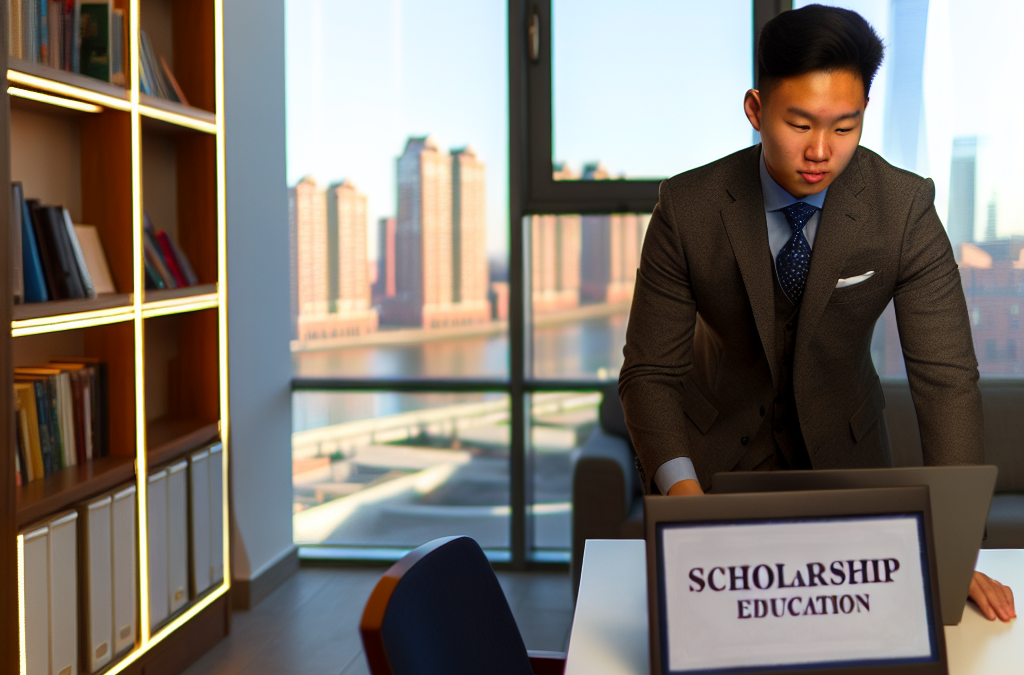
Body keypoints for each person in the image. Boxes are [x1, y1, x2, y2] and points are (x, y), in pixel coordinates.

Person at [618, 4, 1015, 622]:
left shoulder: (904, 208)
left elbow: (947, 380)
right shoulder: (688, 206)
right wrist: (683, 497)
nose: (821, 152)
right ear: (755, 110)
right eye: (799, 123)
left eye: (845, 127)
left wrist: (956, 544)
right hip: (710, 467)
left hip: (846, 464)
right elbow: (649, 376)